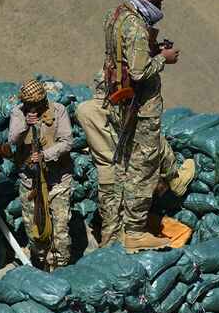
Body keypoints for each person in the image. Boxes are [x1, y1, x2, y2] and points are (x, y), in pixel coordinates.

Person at [102, 0, 181, 253]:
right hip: (139, 107)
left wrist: (151, 50)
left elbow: (121, 58)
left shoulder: (116, 16)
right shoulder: (136, 25)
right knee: (143, 169)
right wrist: (164, 59)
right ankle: (134, 232)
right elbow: (138, 72)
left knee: (122, 166)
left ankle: (117, 230)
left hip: (119, 102)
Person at [75, 76, 194, 247]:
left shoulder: (82, 111)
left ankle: (109, 263)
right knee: (153, 138)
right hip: (129, 173)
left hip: (106, 177)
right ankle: (175, 179)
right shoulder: (119, 110)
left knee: (110, 229)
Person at [7, 79, 73, 270]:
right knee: (35, 233)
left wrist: (45, 155)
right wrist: (25, 125)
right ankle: (42, 265)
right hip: (30, 182)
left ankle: (59, 269)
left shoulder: (58, 110)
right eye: (29, 103)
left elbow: (67, 142)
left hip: (58, 180)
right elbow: (13, 139)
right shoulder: (18, 113)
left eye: (37, 102)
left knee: (60, 231)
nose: (33, 107)